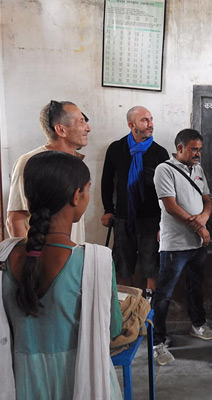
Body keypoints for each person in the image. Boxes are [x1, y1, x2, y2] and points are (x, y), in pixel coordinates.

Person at [0, 151, 123, 399]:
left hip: (19, 383)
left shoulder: (4, 256)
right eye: (87, 190)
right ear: (76, 196)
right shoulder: (94, 261)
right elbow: (112, 329)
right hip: (79, 381)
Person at [152, 128, 212, 366]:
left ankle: (198, 325)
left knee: (196, 287)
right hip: (175, 245)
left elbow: (207, 199)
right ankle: (157, 342)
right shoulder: (164, 170)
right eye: (193, 149)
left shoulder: (198, 169)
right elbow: (170, 206)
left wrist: (204, 218)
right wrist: (199, 227)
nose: (198, 154)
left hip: (197, 245)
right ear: (180, 148)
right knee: (164, 295)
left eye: (200, 149)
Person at [101, 106, 169, 297]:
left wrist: (163, 223)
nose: (151, 124)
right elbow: (107, 182)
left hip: (150, 219)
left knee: (151, 267)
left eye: (151, 119)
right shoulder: (116, 149)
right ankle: (125, 312)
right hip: (123, 217)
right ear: (131, 125)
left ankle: (149, 315)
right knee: (123, 266)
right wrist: (108, 209)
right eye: (145, 120)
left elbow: (167, 192)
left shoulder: (159, 153)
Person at [6, 100, 91, 244]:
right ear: (61, 130)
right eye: (81, 122)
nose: (88, 128)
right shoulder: (29, 162)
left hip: (71, 254)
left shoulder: (76, 163)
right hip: (43, 259)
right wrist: (30, 261)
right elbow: (15, 220)